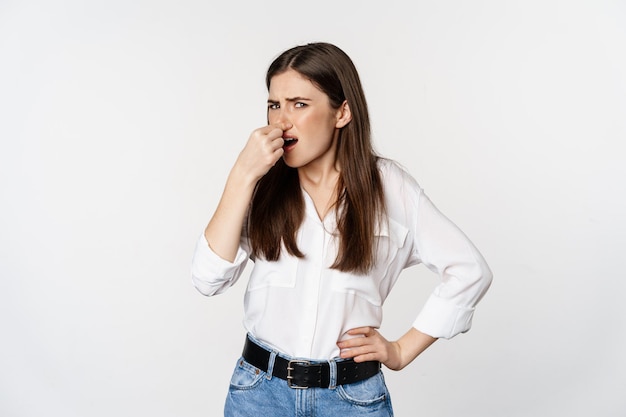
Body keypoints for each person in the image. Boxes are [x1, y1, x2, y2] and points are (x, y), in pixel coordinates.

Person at [191, 42, 492, 417]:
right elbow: (207, 278)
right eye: (274, 104)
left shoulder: (389, 187)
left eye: (299, 104)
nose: (281, 121)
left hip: (351, 400)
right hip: (259, 394)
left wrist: (401, 350)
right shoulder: (261, 183)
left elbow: (468, 269)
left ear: (342, 112)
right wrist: (241, 175)